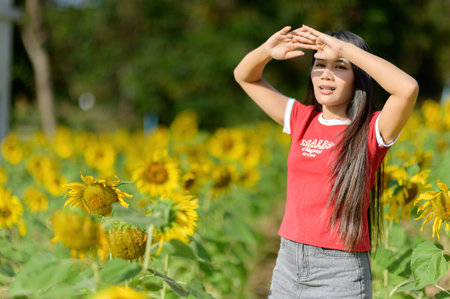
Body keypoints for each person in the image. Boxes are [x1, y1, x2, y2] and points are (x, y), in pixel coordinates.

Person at [233, 25, 418, 298]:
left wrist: (344, 49)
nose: (326, 75)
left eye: (340, 67)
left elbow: (407, 88)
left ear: (358, 76)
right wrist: (265, 51)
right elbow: (245, 76)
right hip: (288, 263)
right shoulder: (301, 118)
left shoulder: (372, 130)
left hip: (340, 271)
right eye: (319, 65)